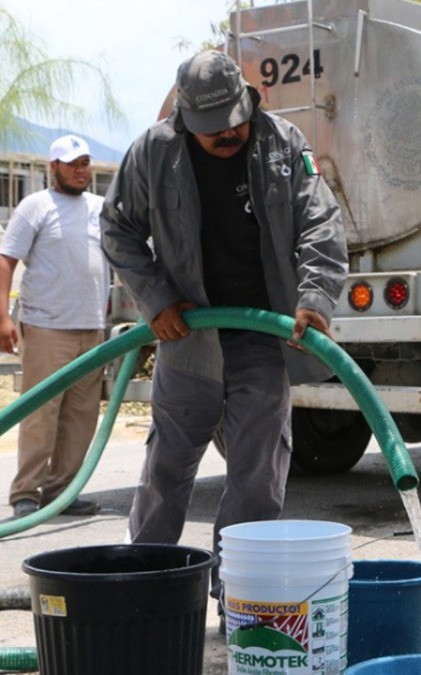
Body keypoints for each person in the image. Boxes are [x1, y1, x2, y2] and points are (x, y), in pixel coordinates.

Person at [100, 50, 348, 601]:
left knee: (257, 477)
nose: (228, 135)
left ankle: (237, 598)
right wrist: (157, 299)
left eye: (235, 122)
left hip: (264, 336)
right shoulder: (153, 153)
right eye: (213, 131)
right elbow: (117, 228)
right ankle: (146, 590)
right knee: (166, 470)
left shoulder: (284, 144)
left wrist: (315, 297)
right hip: (187, 339)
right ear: (185, 119)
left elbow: (320, 223)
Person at [0, 134, 110, 518]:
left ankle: (61, 492)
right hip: (47, 328)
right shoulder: (36, 207)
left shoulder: (100, 208)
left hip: (91, 329)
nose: (81, 170)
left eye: (85, 163)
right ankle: (26, 492)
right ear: (53, 167)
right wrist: (2, 317)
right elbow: (5, 261)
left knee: (81, 416)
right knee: (41, 413)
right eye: (73, 164)